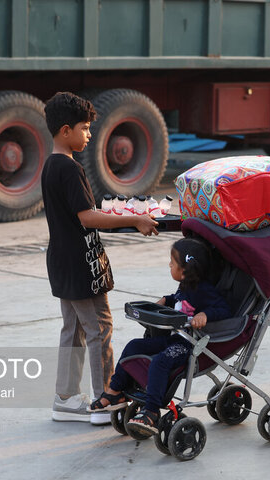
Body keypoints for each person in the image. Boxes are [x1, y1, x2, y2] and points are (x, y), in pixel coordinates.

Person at [42, 92, 159, 425]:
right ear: (66, 130)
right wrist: (134, 219)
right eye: (85, 128)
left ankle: (65, 399)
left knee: (74, 329)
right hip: (82, 265)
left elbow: (83, 212)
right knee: (100, 329)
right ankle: (105, 399)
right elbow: (87, 217)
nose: (89, 134)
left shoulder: (51, 165)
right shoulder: (69, 168)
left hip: (61, 262)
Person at [88, 238, 232, 436]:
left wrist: (205, 315)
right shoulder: (186, 286)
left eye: (172, 263)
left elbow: (224, 309)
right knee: (133, 346)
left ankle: (152, 411)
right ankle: (115, 393)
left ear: (185, 271)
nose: (169, 265)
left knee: (159, 362)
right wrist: (166, 300)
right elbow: (179, 299)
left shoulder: (204, 290)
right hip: (174, 338)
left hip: (189, 345)